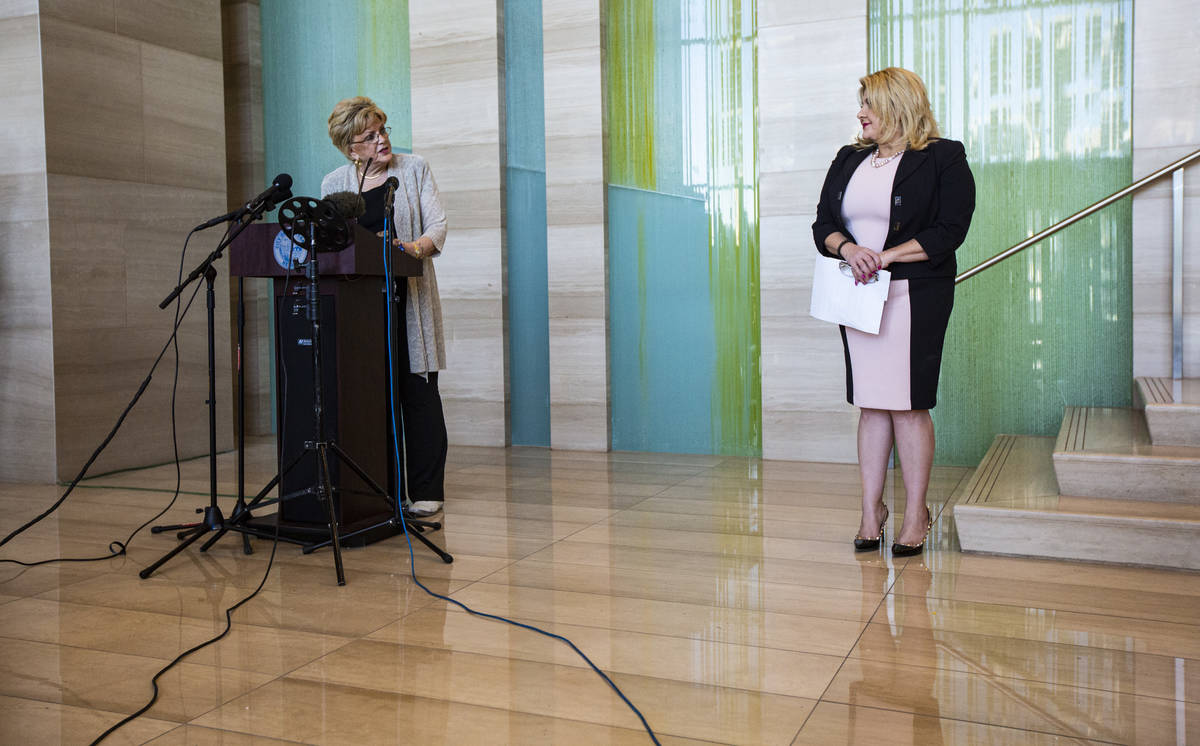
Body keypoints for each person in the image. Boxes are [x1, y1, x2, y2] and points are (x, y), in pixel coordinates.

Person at [811, 68, 975, 556]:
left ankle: (915, 513)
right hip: (859, 294)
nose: (860, 113)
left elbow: (950, 230)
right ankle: (870, 511)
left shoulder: (944, 156)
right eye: (860, 103)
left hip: (914, 293)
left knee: (907, 404)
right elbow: (823, 222)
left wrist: (885, 256)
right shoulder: (849, 158)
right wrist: (847, 249)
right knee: (871, 402)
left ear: (899, 105)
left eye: (869, 104)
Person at [322, 96, 449, 517]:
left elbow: (438, 227)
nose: (382, 140)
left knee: (418, 392)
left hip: (407, 303)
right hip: (360, 309)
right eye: (369, 136)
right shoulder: (333, 184)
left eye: (383, 130)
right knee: (369, 397)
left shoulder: (413, 170)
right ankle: (382, 489)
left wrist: (408, 248)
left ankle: (427, 491)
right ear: (350, 147)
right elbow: (333, 247)